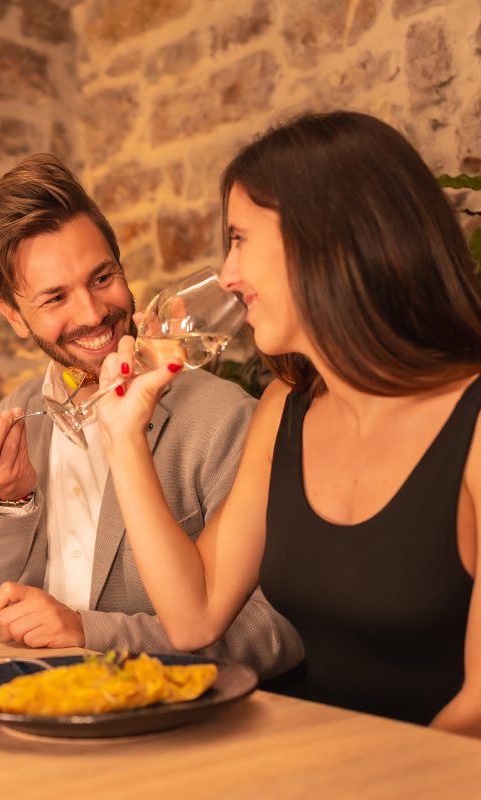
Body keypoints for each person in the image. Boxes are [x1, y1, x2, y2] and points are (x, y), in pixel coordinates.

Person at [94, 111, 481, 734]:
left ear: (327, 238)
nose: (226, 274)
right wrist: (123, 436)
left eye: (240, 238)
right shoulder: (286, 410)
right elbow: (194, 617)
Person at [0, 153, 303, 678]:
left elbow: (274, 634)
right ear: (14, 316)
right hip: (40, 707)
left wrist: (90, 633)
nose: (92, 314)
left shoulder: (225, 418)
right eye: (56, 297)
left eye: (102, 277)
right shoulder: (21, 410)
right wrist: (9, 503)